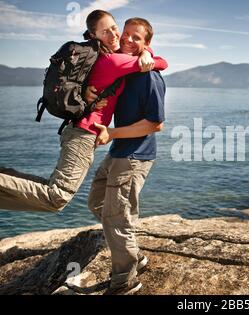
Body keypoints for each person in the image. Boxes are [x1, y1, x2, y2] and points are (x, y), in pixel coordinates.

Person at [0, 10, 167, 213]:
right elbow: (161, 64)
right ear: (93, 36)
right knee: (58, 196)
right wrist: (148, 54)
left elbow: (141, 53)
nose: (114, 35)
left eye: (115, 28)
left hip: (78, 129)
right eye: (105, 32)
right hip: (84, 134)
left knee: (52, 188)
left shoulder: (106, 56)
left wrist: (146, 51)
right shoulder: (115, 61)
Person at [86, 17, 165, 295]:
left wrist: (111, 133)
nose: (128, 40)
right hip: (118, 152)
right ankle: (134, 255)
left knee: (116, 218)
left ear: (147, 43)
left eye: (137, 38)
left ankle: (124, 282)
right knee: (97, 202)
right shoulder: (125, 68)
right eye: (126, 34)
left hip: (134, 156)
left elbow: (156, 124)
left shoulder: (149, 77)